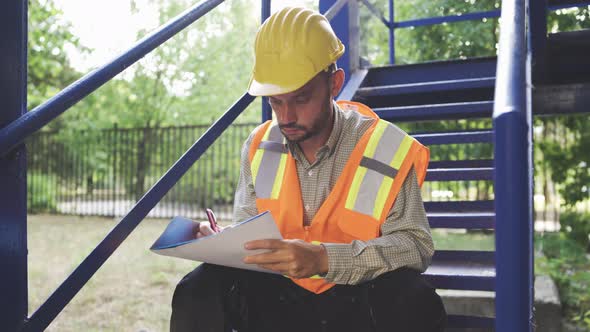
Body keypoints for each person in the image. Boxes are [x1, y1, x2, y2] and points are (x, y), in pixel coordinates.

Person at [170, 7, 446, 332]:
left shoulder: (386, 148)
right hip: (280, 300)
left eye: (301, 99)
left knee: (415, 299)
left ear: (335, 84)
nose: (285, 116)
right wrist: (223, 243)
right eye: (275, 101)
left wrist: (323, 259)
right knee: (200, 286)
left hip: (355, 299)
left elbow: (415, 245)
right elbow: (250, 240)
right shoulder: (259, 146)